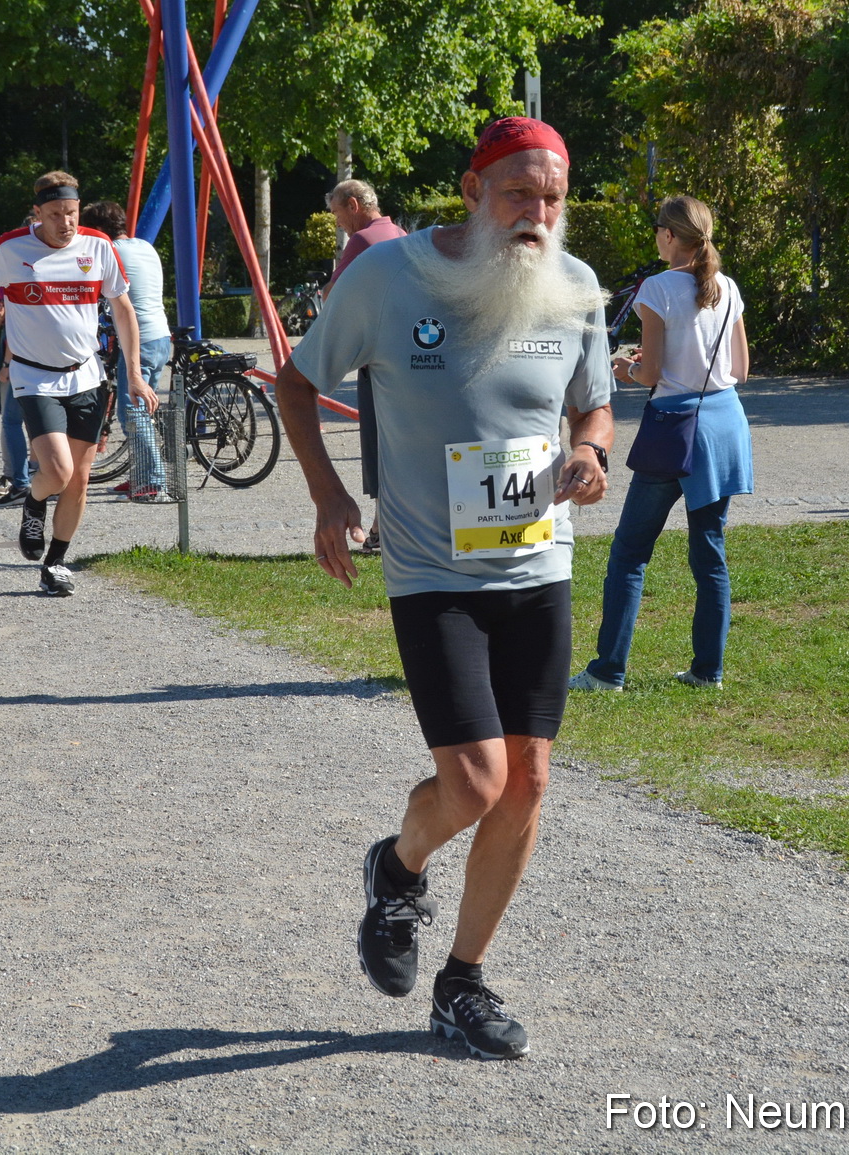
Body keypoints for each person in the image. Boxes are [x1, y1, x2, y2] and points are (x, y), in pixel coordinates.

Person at [275, 117, 614, 1060]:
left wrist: (590, 452)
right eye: (518, 194)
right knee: (474, 781)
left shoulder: (572, 285)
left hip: (538, 564)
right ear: (472, 191)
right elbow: (295, 384)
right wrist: (328, 493)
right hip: (433, 574)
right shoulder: (389, 277)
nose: (537, 213)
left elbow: (594, 403)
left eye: (552, 198)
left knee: (528, 781)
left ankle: (462, 980)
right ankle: (397, 867)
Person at [570, 196, 752, 692]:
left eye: (657, 229)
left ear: (669, 236)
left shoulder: (657, 287)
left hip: (675, 429)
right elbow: (740, 369)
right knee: (709, 553)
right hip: (724, 424)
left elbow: (650, 373)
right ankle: (708, 671)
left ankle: (607, 671)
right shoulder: (728, 286)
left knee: (630, 551)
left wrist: (624, 369)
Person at [0, 172, 156, 596]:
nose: (65, 223)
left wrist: (136, 374)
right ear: (37, 213)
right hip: (33, 376)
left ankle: (55, 563)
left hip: (86, 375)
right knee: (57, 471)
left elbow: (123, 309)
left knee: (79, 479)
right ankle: (34, 501)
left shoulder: (98, 246)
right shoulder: (11, 248)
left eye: (71, 213)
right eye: (54, 215)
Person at [324, 180, 408, 554]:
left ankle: (382, 529)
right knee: (398, 443)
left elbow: (333, 294)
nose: (337, 222)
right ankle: (382, 527)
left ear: (353, 205)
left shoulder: (362, 240)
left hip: (377, 355)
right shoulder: (400, 234)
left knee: (377, 444)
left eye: (337, 213)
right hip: (409, 355)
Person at [80, 200, 173, 503]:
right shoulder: (145, 246)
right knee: (143, 410)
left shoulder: (109, 251)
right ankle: (141, 475)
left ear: (98, 230)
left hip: (139, 340)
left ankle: (153, 482)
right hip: (161, 336)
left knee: (130, 412)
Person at [0, 285, 32, 504]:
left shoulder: (19, 279)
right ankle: (15, 475)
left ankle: (25, 480)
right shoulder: (1, 284)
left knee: (15, 421)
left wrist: (8, 364)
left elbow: (17, 327)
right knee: (14, 420)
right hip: (19, 355)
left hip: (20, 357)